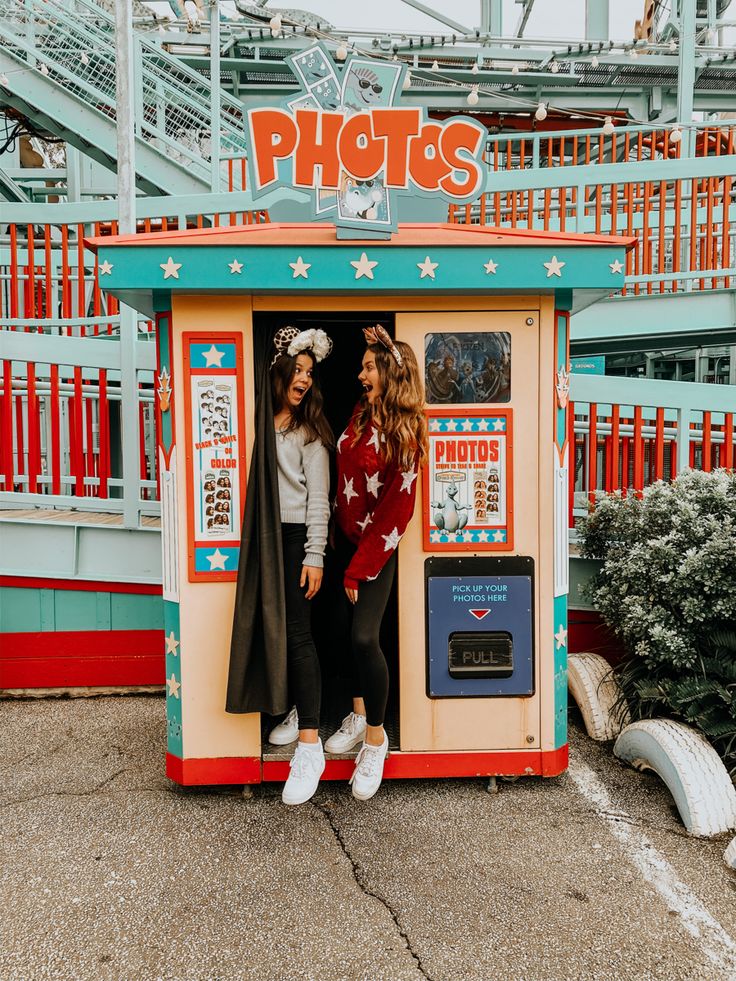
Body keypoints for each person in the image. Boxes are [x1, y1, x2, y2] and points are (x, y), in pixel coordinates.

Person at [327, 324, 427, 800]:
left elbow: (395, 511)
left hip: (374, 551)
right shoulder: (360, 414)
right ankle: (359, 712)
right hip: (344, 543)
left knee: (366, 636)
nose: (360, 373)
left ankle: (376, 738)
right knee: (346, 634)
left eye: (369, 366)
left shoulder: (404, 435)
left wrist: (358, 567)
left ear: (388, 372)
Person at [264, 326, 333, 806]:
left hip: (293, 539)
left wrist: (314, 554)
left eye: (311, 372)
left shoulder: (310, 432)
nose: (305, 379)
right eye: (299, 370)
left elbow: (319, 501)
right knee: (273, 631)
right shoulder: (259, 419)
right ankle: (290, 709)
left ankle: (310, 744)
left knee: (299, 633)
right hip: (260, 538)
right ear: (280, 370)